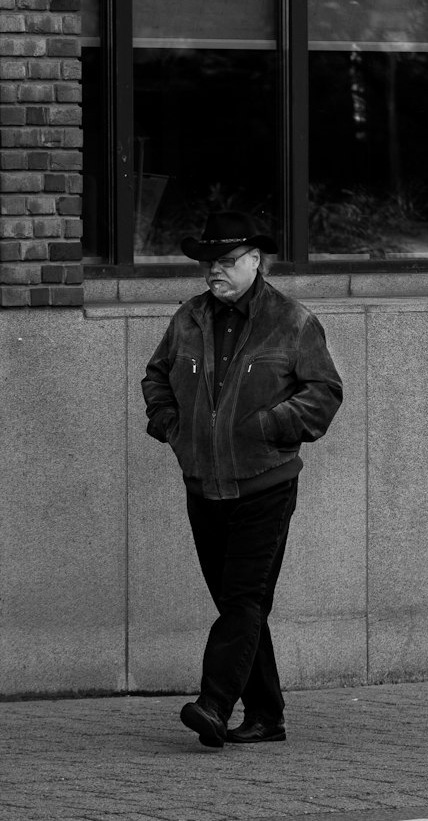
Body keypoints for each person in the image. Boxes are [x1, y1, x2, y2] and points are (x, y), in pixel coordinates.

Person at [142, 210, 343, 749]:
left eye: (226, 261)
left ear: (256, 260)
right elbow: (156, 375)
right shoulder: (188, 318)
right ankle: (267, 715)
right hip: (202, 485)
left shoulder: (293, 321)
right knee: (240, 605)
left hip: (266, 485)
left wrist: (269, 426)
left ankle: (213, 703)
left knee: (244, 599)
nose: (214, 271)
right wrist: (170, 426)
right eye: (209, 261)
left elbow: (324, 393)